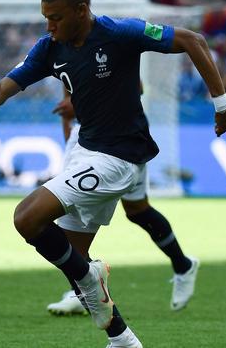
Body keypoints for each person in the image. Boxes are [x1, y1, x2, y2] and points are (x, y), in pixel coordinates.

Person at [0, 0, 226, 346]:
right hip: (86, 150)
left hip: (118, 158)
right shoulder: (50, 48)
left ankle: (105, 278)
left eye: (56, 18)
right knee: (74, 259)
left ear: (82, 9)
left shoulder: (119, 32)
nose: (49, 26)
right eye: (46, 18)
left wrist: (221, 105)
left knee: (28, 218)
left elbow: (194, 40)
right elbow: (1, 90)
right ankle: (122, 339)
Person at [47, 85, 199, 316]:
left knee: (136, 210)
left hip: (123, 134)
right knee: (123, 212)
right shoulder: (59, 51)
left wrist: (78, 105)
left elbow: (134, 87)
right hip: (88, 139)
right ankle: (79, 292)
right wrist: (71, 133)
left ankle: (182, 265)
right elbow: (66, 102)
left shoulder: (107, 48)